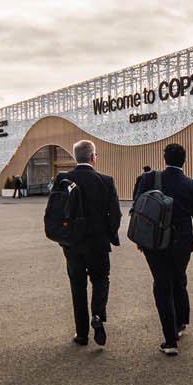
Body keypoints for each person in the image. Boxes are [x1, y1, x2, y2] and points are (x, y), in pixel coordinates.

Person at [132, 143, 193, 356]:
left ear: (164, 158)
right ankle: (181, 322)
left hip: (155, 243)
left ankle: (170, 339)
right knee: (178, 278)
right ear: (184, 161)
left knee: (162, 284)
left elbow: (138, 209)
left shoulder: (149, 179)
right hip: (182, 243)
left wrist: (140, 238)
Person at [55, 140, 122, 347]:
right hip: (98, 242)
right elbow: (116, 215)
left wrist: (63, 236)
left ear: (77, 157)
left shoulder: (63, 179)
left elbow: (56, 211)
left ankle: (82, 334)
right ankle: (98, 315)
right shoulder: (106, 181)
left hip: (72, 244)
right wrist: (109, 234)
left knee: (78, 286)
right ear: (93, 157)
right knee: (101, 280)